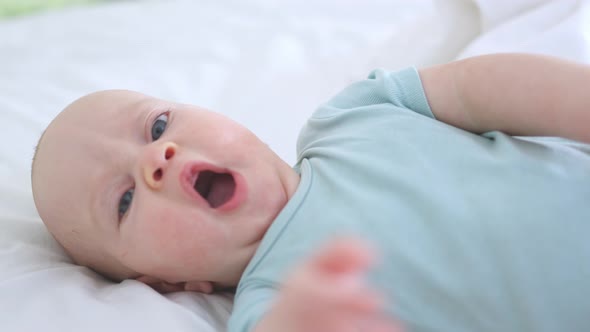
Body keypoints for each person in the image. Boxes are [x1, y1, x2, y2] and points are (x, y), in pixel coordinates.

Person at [31, 53, 590, 332]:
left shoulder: (355, 117)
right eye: (124, 201)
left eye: (156, 127)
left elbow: (478, 90)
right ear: (167, 283)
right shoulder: (274, 305)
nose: (157, 158)